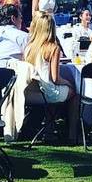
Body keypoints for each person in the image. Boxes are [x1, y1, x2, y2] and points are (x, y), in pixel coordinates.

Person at [24, 13, 79, 143]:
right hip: (46, 91)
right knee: (74, 94)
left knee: (56, 92)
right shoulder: (53, 48)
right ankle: (72, 133)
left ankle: (49, 129)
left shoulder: (29, 47)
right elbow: (55, 78)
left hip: (30, 91)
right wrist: (69, 83)